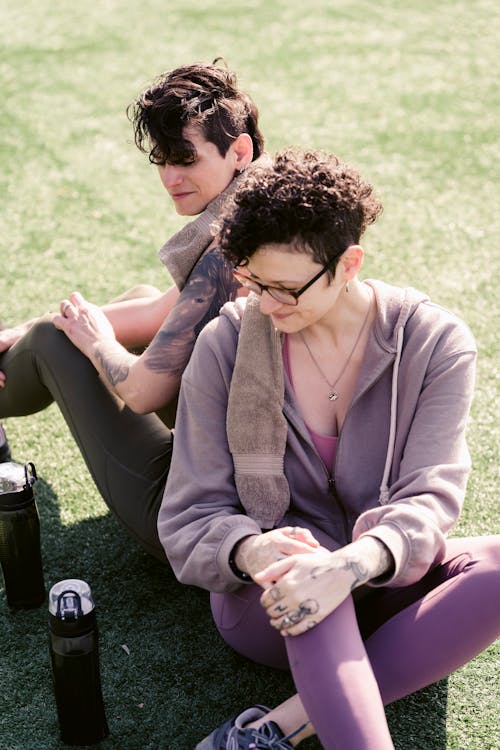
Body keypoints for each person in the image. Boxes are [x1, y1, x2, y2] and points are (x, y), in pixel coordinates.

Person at [158, 149, 500, 749]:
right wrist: (253, 550)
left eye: (285, 288)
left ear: (348, 264)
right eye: (253, 282)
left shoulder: (434, 341)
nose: (265, 305)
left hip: (379, 572)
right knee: (305, 575)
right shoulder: (226, 344)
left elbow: (430, 496)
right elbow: (189, 515)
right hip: (269, 595)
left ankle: (274, 728)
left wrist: (352, 564)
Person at [0, 60, 267, 561]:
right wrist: (24, 326)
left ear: (240, 151)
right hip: (237, 480)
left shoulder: (231, 254)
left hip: (191, 517)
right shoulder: (267, 209)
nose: (170, 178)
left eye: (185, 159)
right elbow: (158, 312)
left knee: (56, 342)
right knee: (117, 305)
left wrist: (92, 339)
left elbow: (146, 391)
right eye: (162, 160)